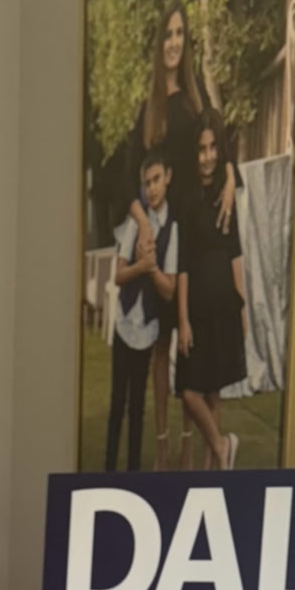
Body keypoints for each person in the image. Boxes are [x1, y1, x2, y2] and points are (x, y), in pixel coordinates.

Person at [107, 4, 240, 468]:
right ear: (159, 42)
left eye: (181, 33)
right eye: (168, 33)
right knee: (162, 345)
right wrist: (144, 223)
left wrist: (229, 176)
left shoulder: (194, 101)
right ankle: (163, 441)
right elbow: (126, 179)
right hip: (161, 239)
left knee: (192, 341)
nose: (174, 41)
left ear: (186, 42)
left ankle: (189, 442)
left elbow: (218, 142)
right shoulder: (149, 111)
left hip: (194, 234)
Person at [177, 112, 249, 470]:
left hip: (223, 302)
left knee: (213, 389)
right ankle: (222, 446)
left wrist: (242, 307)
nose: (207, 157)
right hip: (197, 306)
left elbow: (235, 252)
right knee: (189, 390)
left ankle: (213, 469)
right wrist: (183, 319)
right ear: (194, 153)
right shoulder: (187, 199)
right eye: (201, 149)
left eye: (212, 148)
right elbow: (183, 263)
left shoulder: (226, 196)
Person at [104, 148, 178, 472]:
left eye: (157, 180)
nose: (152, 188)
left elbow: (169, 289)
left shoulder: (172, 230)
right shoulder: (137, 222)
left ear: (168, 178)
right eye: (147, 183)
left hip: (147, 328)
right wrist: (141, 267)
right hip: (124, 322)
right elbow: (119, 275)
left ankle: (132, 471)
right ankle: (108, 468)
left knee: (138, 406)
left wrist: (152, 269)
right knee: (117, 401)